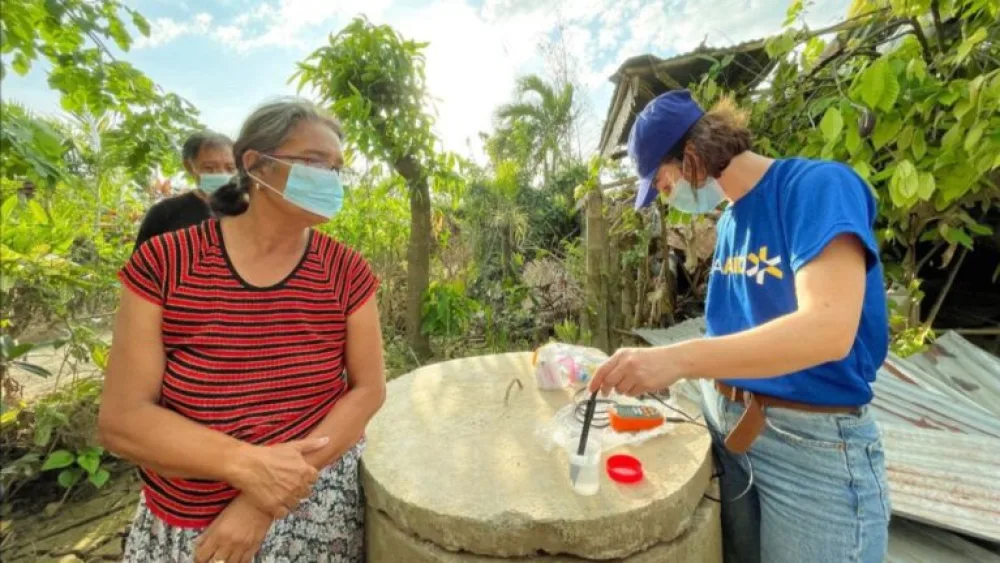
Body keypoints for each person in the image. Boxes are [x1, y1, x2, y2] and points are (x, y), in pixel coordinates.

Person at [589, 90, 891, 563]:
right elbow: (731, 335)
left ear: (691, 158)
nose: (669, 200)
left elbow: (829, 329)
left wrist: (676, 360)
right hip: (730, 434)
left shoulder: (816, 188)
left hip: (809, 451)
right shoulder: (730, 223)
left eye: (665, 187)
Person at [99, 98, 385, 563]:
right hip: (191, 521)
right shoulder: (167, 262)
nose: (329, 179)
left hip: (315, 506)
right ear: (256, 165)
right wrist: (248, 467)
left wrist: (264, 498)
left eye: (336, 169)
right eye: (314, 162)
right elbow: (123, 419)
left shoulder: (346, 270)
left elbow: (368, 390)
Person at [134, 131, 236, 249]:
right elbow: (141, 264)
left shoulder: (247, 210)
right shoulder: (163, 213)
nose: (221, 174)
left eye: (230, 168)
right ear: (189, 166)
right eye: (209, 168)